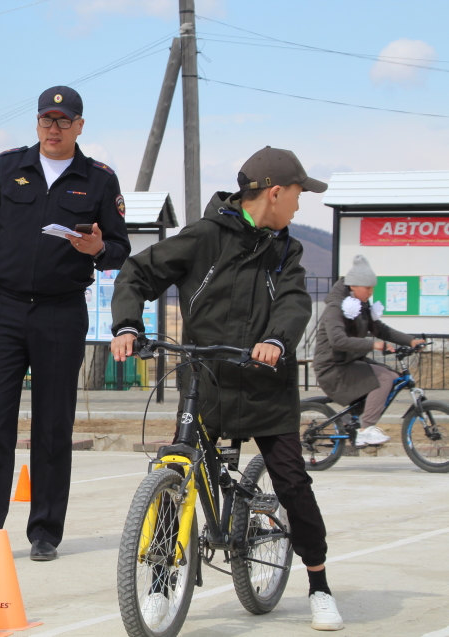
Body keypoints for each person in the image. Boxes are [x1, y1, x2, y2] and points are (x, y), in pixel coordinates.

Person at [110, 146, 345, 631]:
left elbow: (295, 302)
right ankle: (159, 583)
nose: (300, 206)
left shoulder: (286, 249)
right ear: (275, 193)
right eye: (299, 195)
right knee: (177, 466)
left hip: (265, 385)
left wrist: (277, 339)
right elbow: (138, 272)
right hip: (208, 380)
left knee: (292, 484)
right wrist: (127, 325)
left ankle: (319, 585)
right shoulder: (204, 237)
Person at [0, 86, 130, 561]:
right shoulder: (9, 167)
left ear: (79, 126)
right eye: (46, 120)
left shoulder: (98, 179)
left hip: (61, 311)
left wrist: (98, 251)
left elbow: (119, 247)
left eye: (63, 121)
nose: (53, 129)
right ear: (36, 123)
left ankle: (45, 533)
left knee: (52, 426)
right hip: (4, 308)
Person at [313, 255, 425, 446]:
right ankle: (365, 429)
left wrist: (411, 341)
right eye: (368, 288)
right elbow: (338, 340)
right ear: (354, 285)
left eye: (372, 287)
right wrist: (373, 344)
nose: (371, 292)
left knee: (391, 375)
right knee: (383, 378)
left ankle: (353, 418)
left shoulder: (361, 305)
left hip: (347, 363)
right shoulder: (336, 307)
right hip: (332, 368)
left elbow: (380, 330)